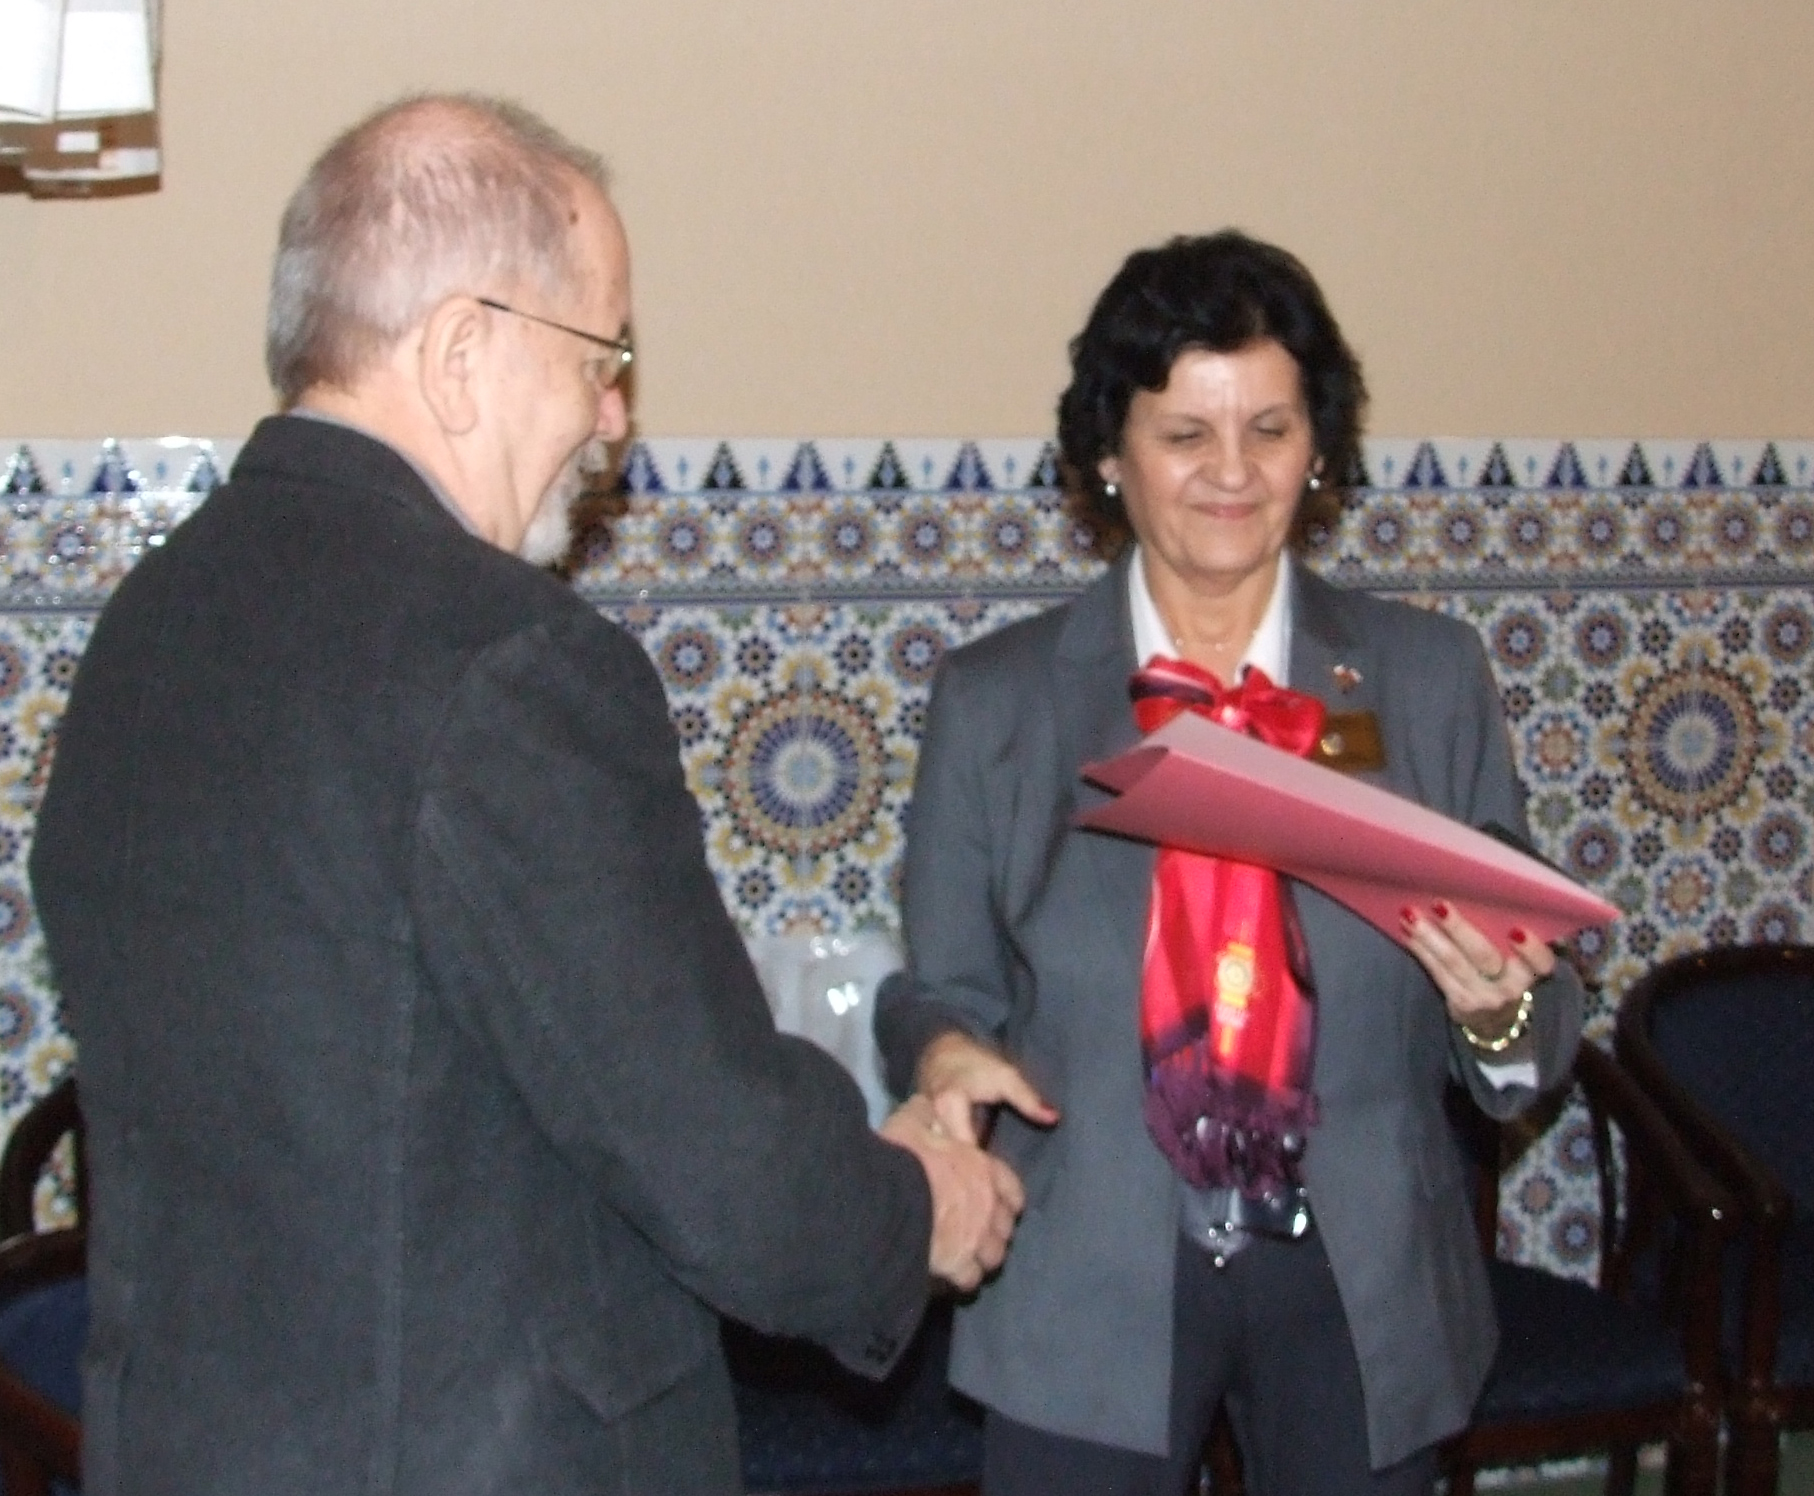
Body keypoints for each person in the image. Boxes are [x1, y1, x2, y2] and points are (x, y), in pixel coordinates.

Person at [28, 94, 1023, 1496]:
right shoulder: (509, 661)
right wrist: (917, 1202)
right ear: (460, 356)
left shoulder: (150, 623)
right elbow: (722, 1167)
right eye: (602, 358)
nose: (615, 417)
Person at [875, 230, 1587, 1496]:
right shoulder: (998, 702)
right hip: (1087, 1262)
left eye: (1269, 428)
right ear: (1110, 453)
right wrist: (941, 1055)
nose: (1232, 472)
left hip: (1360, 1275)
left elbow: (1533, 1016)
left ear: (1318, 447)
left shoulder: (1425, 679)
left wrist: (1500, 1011)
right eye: (1183, 433)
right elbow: (938, 988)